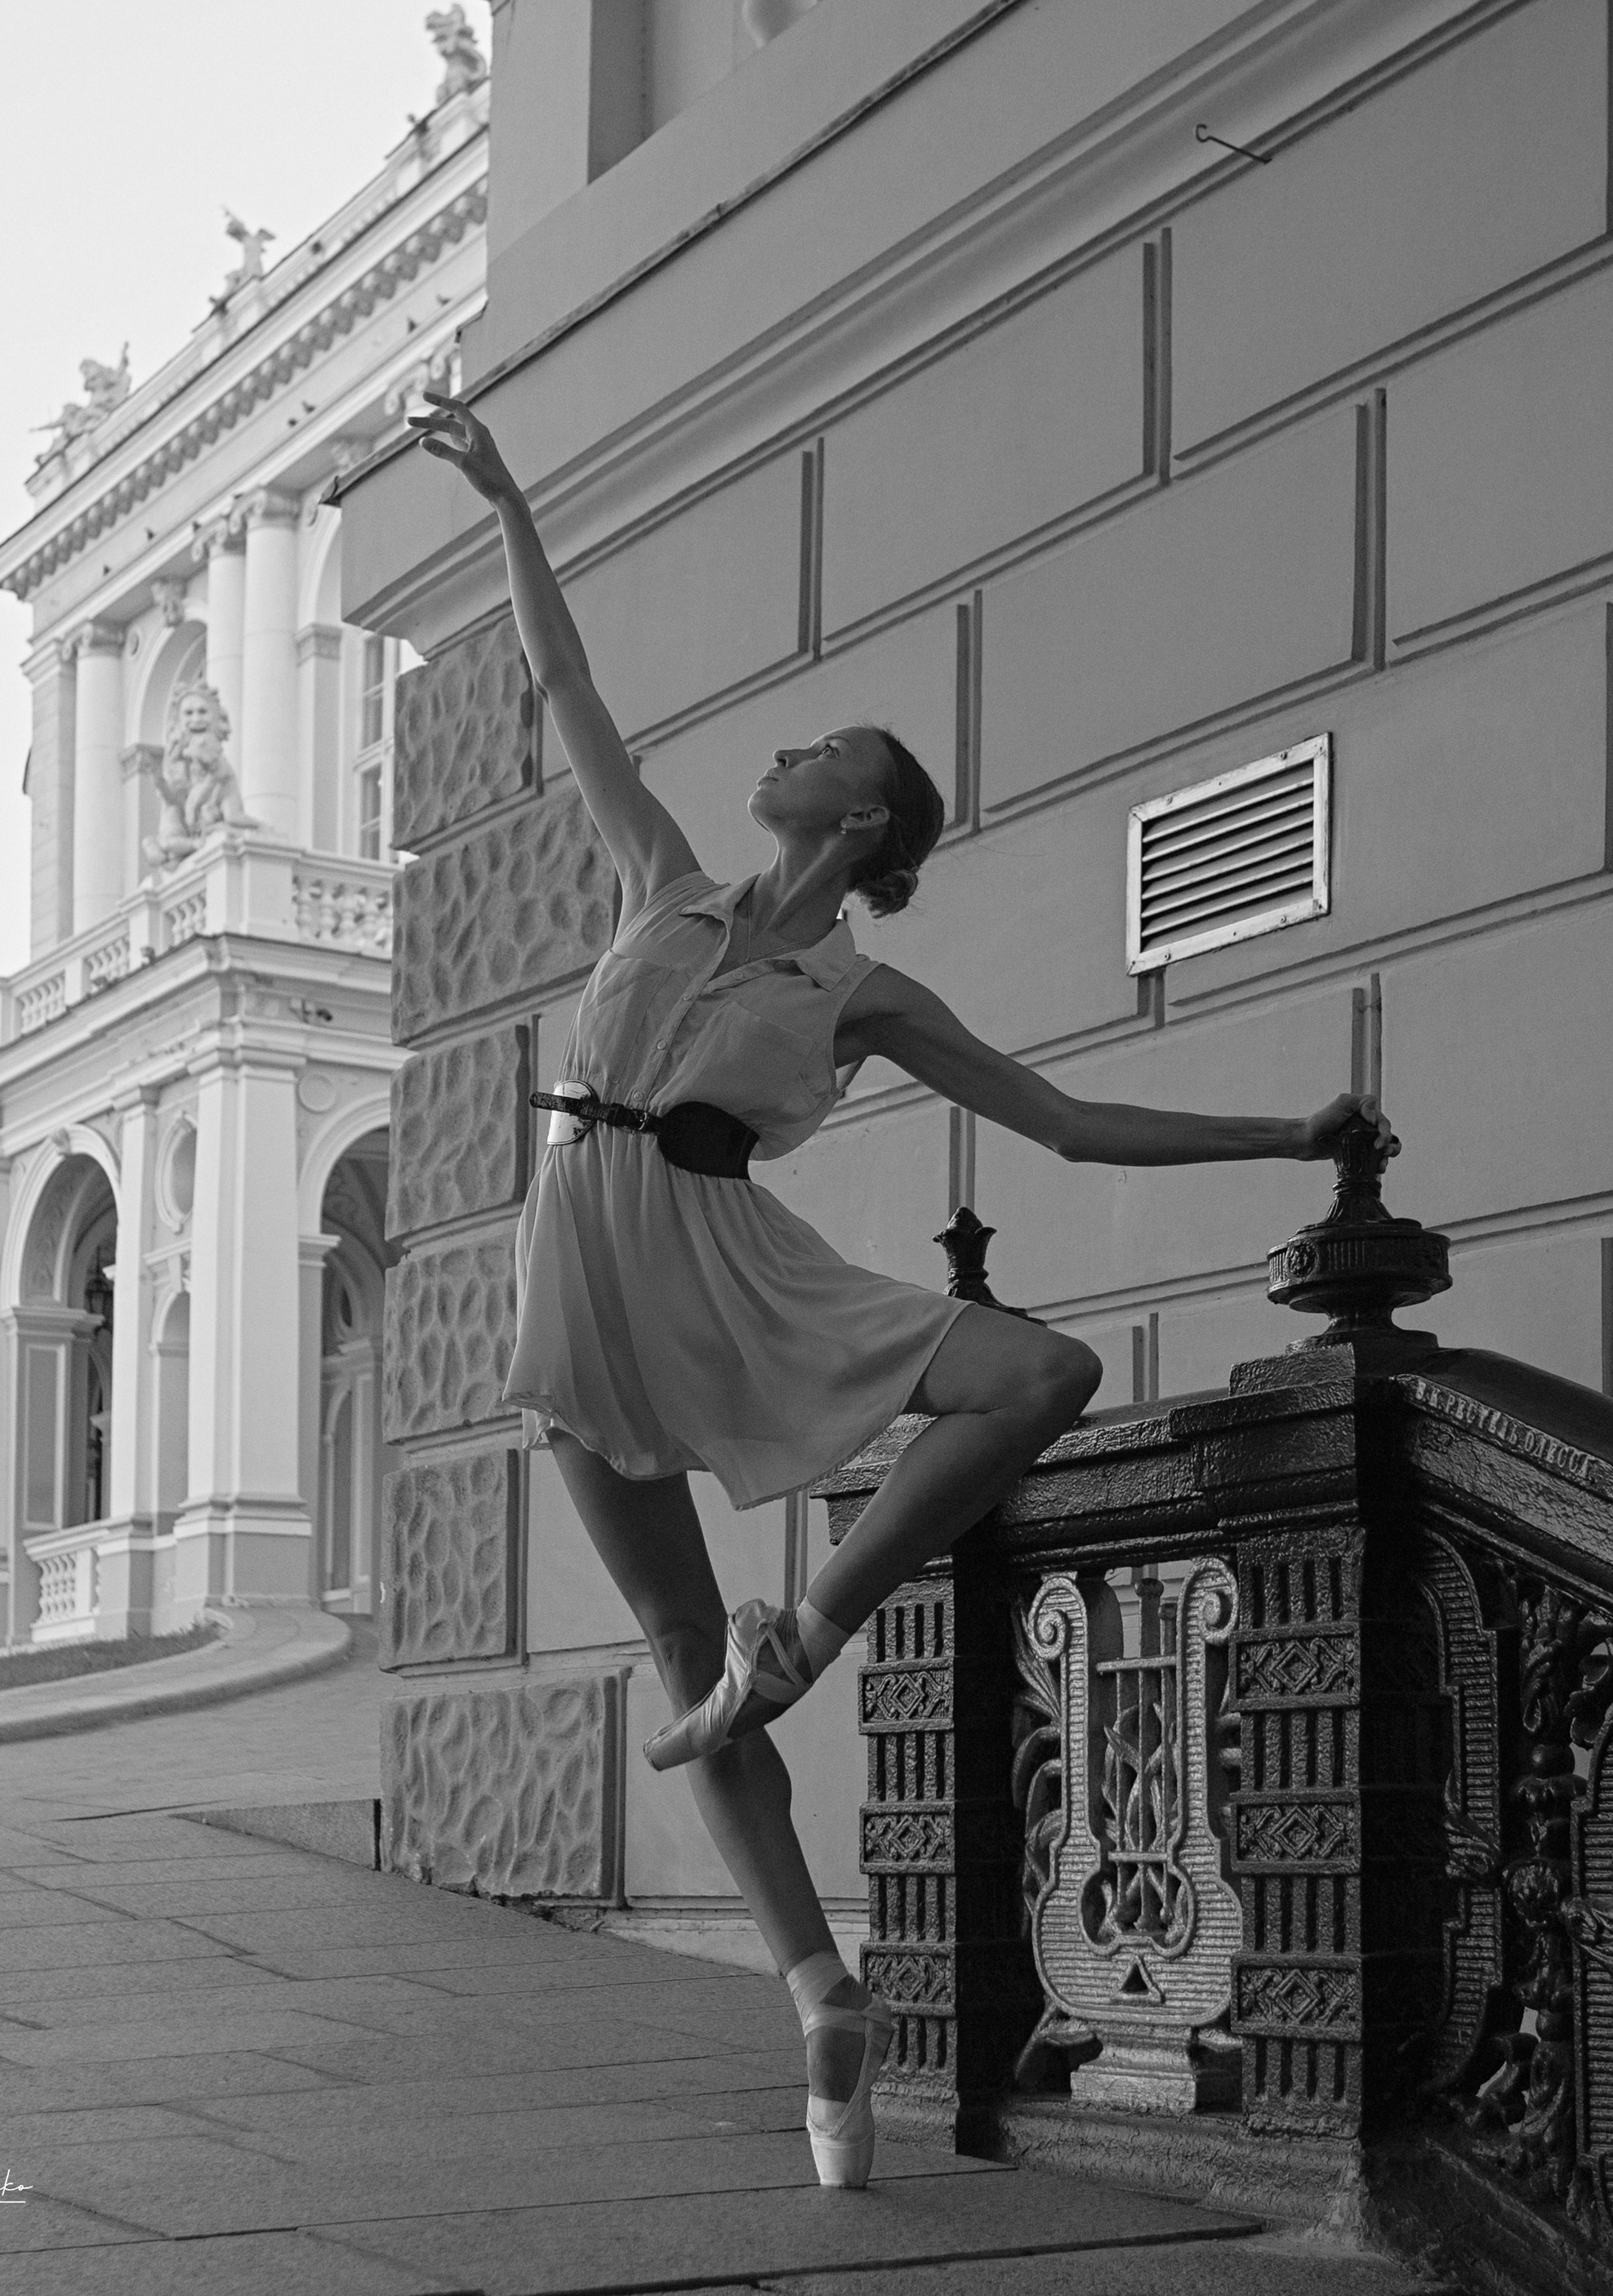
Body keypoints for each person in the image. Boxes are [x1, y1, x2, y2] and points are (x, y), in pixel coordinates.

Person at [409, 387, 1389, 2191]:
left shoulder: (861, 997)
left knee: (1038, 1373)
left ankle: (822, 1624)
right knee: (677, 1663)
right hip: (575, 1252)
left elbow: (1069, 1123)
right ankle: (819, 2004)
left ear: (856, 819)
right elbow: (564, 692)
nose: (780, 752)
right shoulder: (664, 882)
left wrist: (1285, 1129)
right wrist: (506, 497)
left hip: (714, 1261)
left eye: (816, 748)